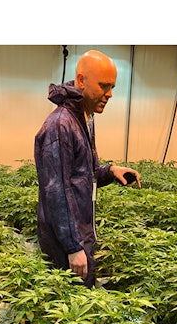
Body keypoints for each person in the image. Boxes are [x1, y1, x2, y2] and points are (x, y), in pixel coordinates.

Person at [34, 49, 141, 288]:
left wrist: (110, 171)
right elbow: (56, 191)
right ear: (81, 81)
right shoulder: (61, 125)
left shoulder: (84, 118)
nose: (110, 94)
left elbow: (83, 176)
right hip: (66, 246)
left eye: (113, 87)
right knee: (69, 307)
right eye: (104, 86)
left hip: (80, 236)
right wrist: (73, 247)